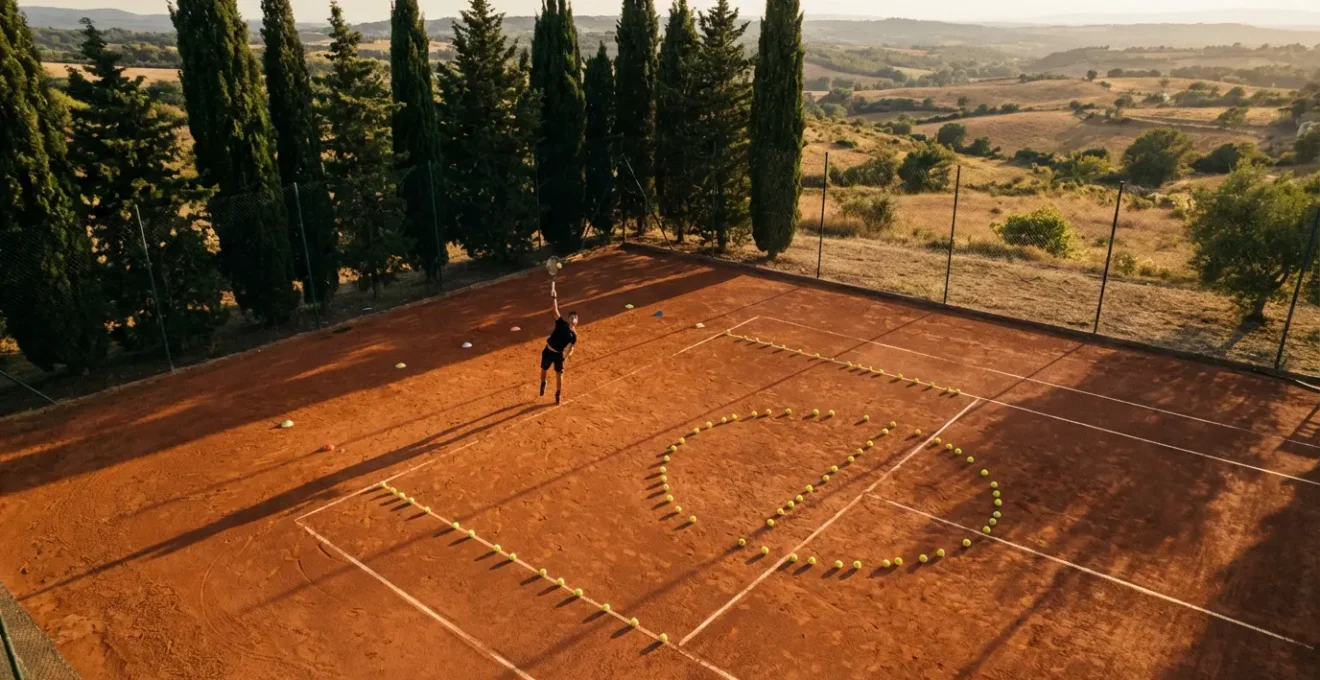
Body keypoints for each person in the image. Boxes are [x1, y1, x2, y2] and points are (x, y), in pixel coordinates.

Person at [540, 281, 578, 404]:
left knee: (559, 375)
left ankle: (558, 393)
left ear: (577, 321)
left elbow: (572, 347)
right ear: (568, 319)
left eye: (575, 317)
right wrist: (554, 297)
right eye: (571, 317)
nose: (573, 319)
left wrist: (568, 355)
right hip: (548, 351)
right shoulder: (561, 323)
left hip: (558, 355)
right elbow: (554, 309)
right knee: (543, 371)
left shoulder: (574, 335)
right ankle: (543, 382)